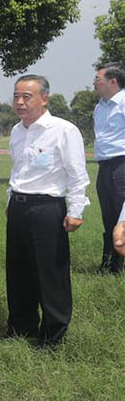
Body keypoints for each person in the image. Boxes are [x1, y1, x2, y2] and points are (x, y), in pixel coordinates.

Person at [5, 75, 89, 347]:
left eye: (26, 97)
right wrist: (10, 201)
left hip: (47, 208)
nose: (19, 102)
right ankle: (21, 327)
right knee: (19, 271)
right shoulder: (17, 131)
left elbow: (77, 173)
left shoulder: (63, 130)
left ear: (44, 98)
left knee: (50, 273)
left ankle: (53, 335)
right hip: (18, 207)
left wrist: (76, 210)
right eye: (16, 96)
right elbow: (17, 170)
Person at [92, 62, 125, 274]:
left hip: (122, 164)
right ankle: (109, 264)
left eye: (98, 79)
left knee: (122, 215)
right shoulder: (99, 106)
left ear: (113, 82)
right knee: (108, 215)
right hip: (104, 165)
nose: (95, 82)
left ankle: (118, 265)